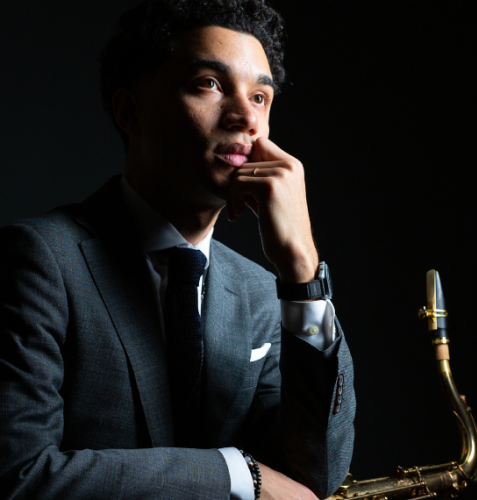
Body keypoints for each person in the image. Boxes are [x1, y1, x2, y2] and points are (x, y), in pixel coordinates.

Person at [0, 1, 355, 499]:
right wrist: (237, 475)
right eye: (209, 84)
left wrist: (303, 274)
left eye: (260, 96)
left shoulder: (260, 291)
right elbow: (17, 476)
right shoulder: (39, 259)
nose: (245, 117)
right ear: (131, 112)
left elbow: (316, 474)